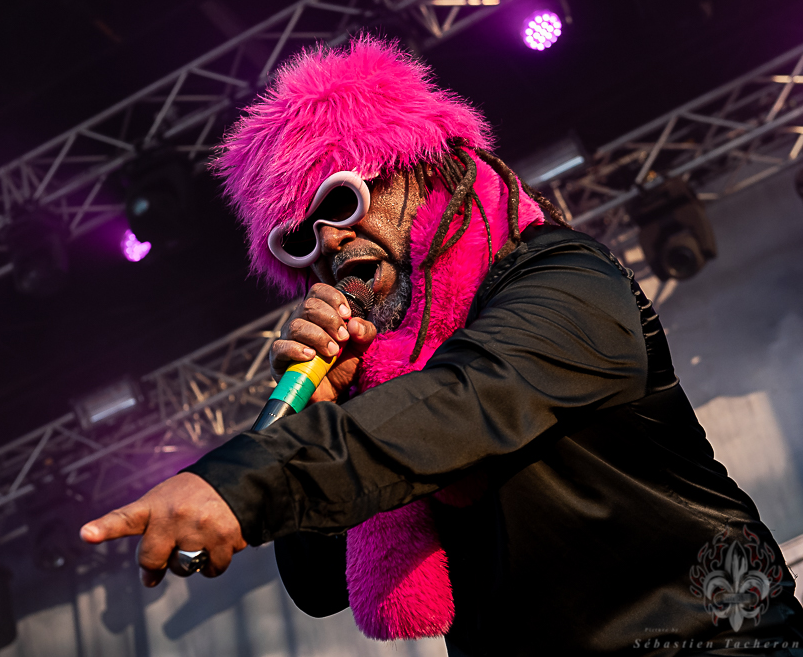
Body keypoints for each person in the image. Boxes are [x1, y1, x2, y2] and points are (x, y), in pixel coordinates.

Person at [81, 37, 803, 656]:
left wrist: (239, 481)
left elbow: (461, 404)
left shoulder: (566, 278)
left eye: (341, 200)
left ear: (427, 170)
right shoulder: (381, 387)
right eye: (299, 238)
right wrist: (313, 409)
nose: (329, 239)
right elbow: (320, 584)